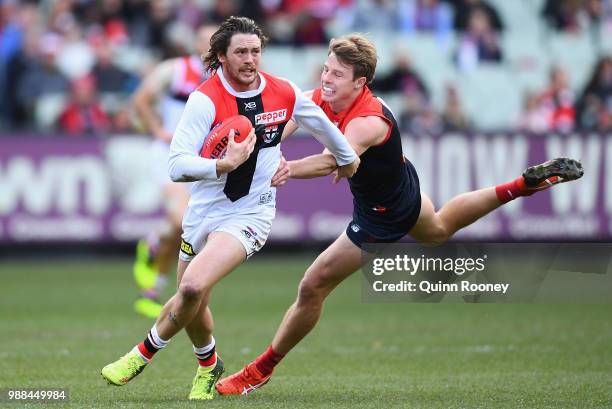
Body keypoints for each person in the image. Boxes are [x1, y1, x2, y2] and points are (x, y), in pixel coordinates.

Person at [215, 33, 584, 395]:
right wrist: (258, 143)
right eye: (326, 70)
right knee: (438, 229)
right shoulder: (324, 97)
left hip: (383, 212)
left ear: (360, 82)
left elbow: (335, 160)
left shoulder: (368, 121)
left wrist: (286, 169)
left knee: (313, 286)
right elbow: (285, 121)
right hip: (398, 185)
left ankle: (259, 371)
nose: (326, 79)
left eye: (336, 75)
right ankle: (522, 185)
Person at [101, 16, 360, 401]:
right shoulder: (205, 100)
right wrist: (222, 164)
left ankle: (142, 353)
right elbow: (176, 165)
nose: (250, 59)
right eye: (240, 51)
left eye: (256, 51)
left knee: (191, 285)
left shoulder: (283, 92)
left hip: (250, 215)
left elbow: (323, 126)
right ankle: (209, 365)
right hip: (203, 212)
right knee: (194, 300)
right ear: (221, 56)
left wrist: (347, 159)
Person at [131, 24, 217, 318]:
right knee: (182, 220)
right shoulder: (176, 70)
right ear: (195, 43)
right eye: (204, 40)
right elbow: (140, 100)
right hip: (170, 156)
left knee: (188, 229)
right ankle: (156, 243)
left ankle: (153, 287)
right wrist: (158, 130)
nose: (209, 46)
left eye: (214, 41)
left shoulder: (225, 79)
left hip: (202, 161)